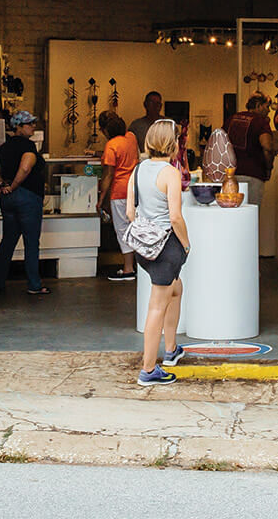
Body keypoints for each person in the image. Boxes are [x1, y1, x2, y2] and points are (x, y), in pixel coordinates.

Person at [128, 119, 191, 386]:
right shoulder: (170, 173)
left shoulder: (138, 169)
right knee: (157, 306)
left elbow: (130, 212)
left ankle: (172, 349)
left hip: (145, 247)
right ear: (173, 143)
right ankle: (148, 369)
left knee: (176, 289)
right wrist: (186, 244)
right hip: (166, 247)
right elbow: (175, 217)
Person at [0, 110, 50, 296]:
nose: (33, 126)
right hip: (28, 197)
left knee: (8, 240)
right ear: (19, 127)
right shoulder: (28, 146)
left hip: (8, 200)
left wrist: (2, 186)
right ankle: (34, 285)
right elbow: (25, 167)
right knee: (31, 242)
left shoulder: (4, 146)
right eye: (29, 123)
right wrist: (14, 186)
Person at [96, 112, 140, 282]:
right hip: (135, 189)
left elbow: (108, 175)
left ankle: (128, 269)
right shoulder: (131, 137)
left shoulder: (111, 145)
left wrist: (101, 199)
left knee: (123, 229)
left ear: (105, 130)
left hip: (119, 191)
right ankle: (138, 266)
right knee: (135, 227)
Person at [224, 94, 275, 206]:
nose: (268, 111)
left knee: (233, 209)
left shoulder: (232, 119)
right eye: (266, 107)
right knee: (251, 210)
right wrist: (268, 168)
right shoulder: (260, 122)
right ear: (258, 105)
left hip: (231, 174)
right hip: (254, 173)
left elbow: (220, 142)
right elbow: (267, 146)